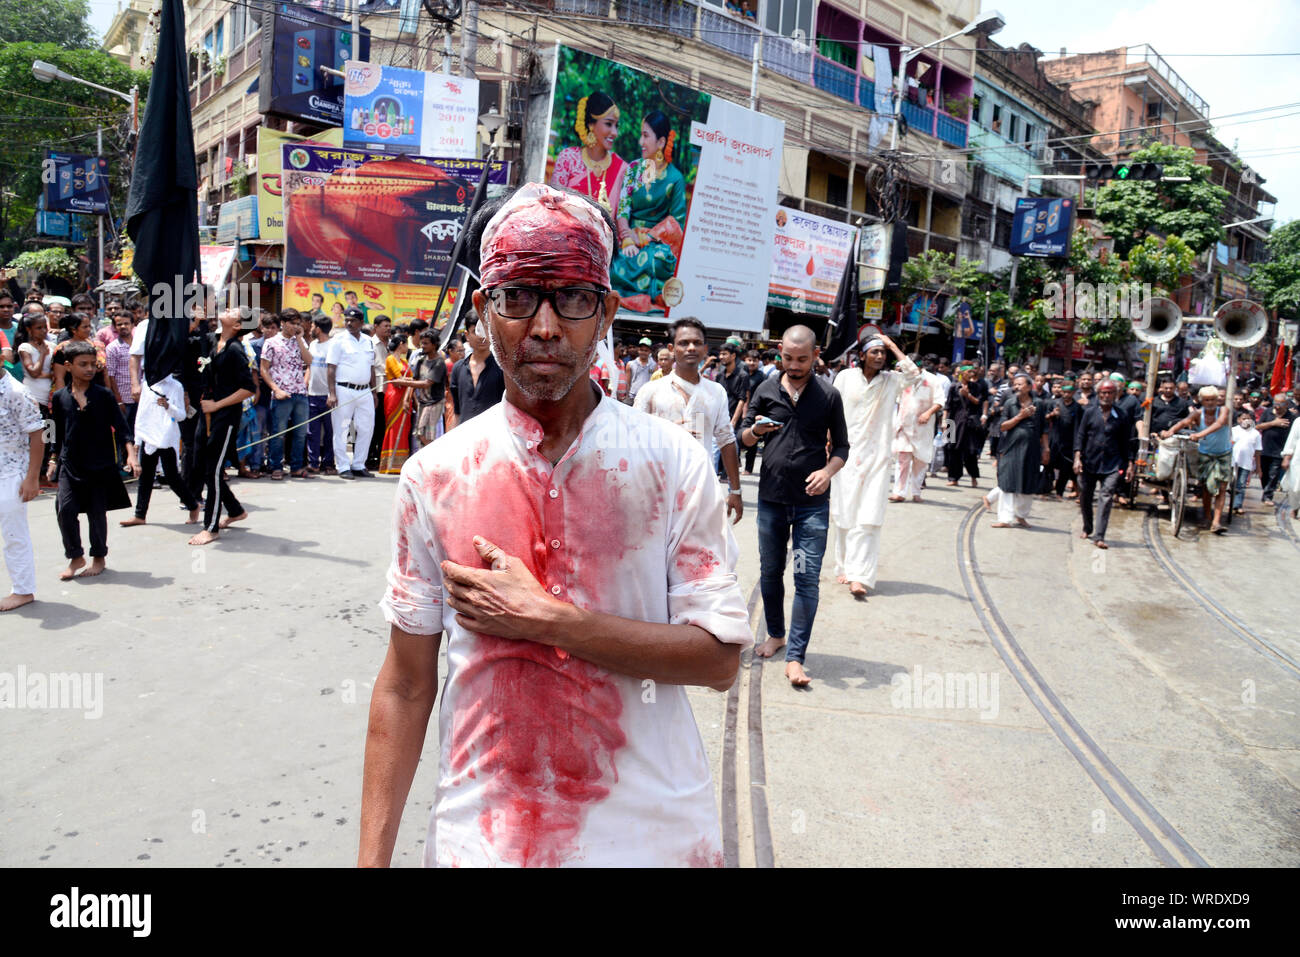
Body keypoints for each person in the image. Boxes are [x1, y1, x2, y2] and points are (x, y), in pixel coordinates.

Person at [362, 183, 750, 868]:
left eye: (571, 297)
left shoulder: (673, 463)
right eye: (517, 296)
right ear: (482, 310)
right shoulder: (437, 475)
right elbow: (405, 683)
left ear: (604, 312)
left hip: (652, 837)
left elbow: (718, 658)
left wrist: (549, 619)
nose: (544, 326)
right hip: (483, 837)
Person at [741, 325, 849, 686]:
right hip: (771, 503)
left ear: (815, 356)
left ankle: (796, 657)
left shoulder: (829, 395)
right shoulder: (766, 388)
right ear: (780, 353)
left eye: (802, 359)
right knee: (771, 572)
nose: (794, 364)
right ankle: (775, 633)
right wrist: (756, 431)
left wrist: (827, 471)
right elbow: (742, 436)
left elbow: (844, 449)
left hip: (811, 507)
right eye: (788, 357)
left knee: (806, 579)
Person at [825, 335, 918, 600]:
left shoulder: (891, 381)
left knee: (869, 516)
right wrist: (827, 439)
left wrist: (892, 345)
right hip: (845, 455)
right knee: (844, 512)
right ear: (862, 355)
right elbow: (832, 409)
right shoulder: (845, 377)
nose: (880, 356)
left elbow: (914, 375)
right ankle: (843, 566)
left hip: (877, 458)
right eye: (874, 351)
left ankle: (860, 576)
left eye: (883, 353)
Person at [634, 316, 743, 525]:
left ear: (705, 349)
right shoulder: (651, 391)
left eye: (697, 343)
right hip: (656, 493)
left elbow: (726, 440)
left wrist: (735, 490)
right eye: (683, 343)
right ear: (672, 348)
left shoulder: (715, 392)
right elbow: (633, 441)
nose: (691, 348)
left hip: (701, 493)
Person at [47, 341, 138, 579]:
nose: (89, 369)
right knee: (65, 509)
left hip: (100, 464)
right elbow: (53, 429)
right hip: (70, 463)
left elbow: (121, 426)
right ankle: (75, 556)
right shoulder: (59, 397)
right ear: (68, 366)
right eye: (82, 364)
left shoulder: (104, 395)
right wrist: (53, 458)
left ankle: (99, 556)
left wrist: (131, 453)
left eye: (93, 364)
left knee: (97, 513)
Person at [188, 308, 256, 547]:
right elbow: (183, 342)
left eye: (231, 311)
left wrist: (217, 405)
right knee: (200, 466)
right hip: (205, 411)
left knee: (214, 471)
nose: (225, 310)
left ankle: (211, 527)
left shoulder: (236, 351)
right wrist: (195, 320)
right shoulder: (212, 340)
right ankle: (235, 510)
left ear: (237, 324)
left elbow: (249, 389)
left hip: (224, 415)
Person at [610, 111, 687, 312]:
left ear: (661, 142)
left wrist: (649, 238)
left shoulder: (675, 178)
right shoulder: (633, 169)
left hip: (657, 243)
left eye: (645, 136)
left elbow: (676, 223)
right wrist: (627, 238)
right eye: (641, 135)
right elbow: (623, 209)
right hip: (629, 238)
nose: (640, 141)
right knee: (612, 258)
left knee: (657, 261)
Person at [120, 374, 201, 527]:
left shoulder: (176, 386)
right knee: (146, 476)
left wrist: (167, 406)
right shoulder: (147, 385)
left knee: (172, 477)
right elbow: (141, 414)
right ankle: (140, 514)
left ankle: (192, 505)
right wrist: (137, 440)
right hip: (149, 435)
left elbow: (182, 415)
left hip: (166, 436)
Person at [1073, 378, 1136, 549]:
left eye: (1109, 393)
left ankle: (1099, 536)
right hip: (1089, 461)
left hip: (1113, 464)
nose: (1106, 396)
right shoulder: (1089, 412)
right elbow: (1081, 436)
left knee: (1106, 497)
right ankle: (1088, 527)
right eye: (1103, 393)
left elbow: (1127, 441)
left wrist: (1130, 463)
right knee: (1085, 495)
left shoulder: (1122, 415)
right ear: (1098, 394)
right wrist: (1077, 457)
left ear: (1115, 395)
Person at [0, 360, 43, 610]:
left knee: (14, 534)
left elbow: (37, 434)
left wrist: (32, 478)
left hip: (12, 472)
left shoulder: (16, 392)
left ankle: (23, 590)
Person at [1161, 385, 1232, 534]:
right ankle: (1207, 516)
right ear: (1202, 401)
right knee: (1206, 487)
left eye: (1213, 399)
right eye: (1207, 400)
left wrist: (1199, 435)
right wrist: (1171, 431)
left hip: (1223, 453)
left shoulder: (1224, 411)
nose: (1210, 403)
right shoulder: (1198, 413)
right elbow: (1183, 422)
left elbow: (1219, 424)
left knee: (1222, 489)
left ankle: (1216, 521)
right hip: (1205, 454)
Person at [549, 91, 625, 214]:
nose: (615, 132)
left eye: (616, 126)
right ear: (591, 124)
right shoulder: (568, 159)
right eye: (608, 124)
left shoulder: (621, 168)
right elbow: (554, 208)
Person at [990, 372, 1049, 529]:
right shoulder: (1010, 403)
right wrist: (1019, 417)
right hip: (1011, 448)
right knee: (1007, 482)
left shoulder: (1039, 404)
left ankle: (1021, 516)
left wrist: (1046, 449)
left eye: (1020, 384)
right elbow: (1002, 426)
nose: (1016, 387)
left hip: (1032, 449)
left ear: (1029, 386)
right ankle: (1004, 518)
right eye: (1015, 384)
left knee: (1028, 483)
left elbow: (1044, 429)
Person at [260, 308, 312, 480]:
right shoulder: (271, 342)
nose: (295, 326)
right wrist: (275, 389)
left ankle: (296, 466)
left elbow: (309, 361)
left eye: (297, 323)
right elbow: (264, 369)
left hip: (300, 392)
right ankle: (275, 465)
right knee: (278, 432)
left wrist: (299, 338)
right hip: (281, 392)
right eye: (292, 323)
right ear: (282, 323)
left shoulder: (300, 340)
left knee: (300, 433)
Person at [327, 307, 377, 479]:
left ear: (361, 323)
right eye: (347, 320)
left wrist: (374, 392)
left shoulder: (368, 340)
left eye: (353, 320)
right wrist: (332, 393)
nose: (349, 323)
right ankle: (342, 466)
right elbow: (331, 368)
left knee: (366, 428)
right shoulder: (338, 340)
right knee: (341, 429)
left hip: (365, 391)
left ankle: (358, 464)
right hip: (343, 390)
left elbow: (371, 367)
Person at [890, 350, 944, 504]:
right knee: (902, 460)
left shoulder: (932, 380)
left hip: (923, 429)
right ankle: (899, 492)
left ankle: (916, 492)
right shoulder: (903, 379)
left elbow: (939, 401)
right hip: (904, 426)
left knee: (920, 462)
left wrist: (928, 413)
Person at [447, 318, 505, 428]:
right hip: (464, 433)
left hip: (493, 434)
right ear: (467, 335)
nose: (481, 337)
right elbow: (457, 411)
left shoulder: (502, 367)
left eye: (485, 331)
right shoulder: (458, 368)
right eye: (475, 331)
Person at [944, 365, 988, 487]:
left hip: (969, 423)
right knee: (952, 449)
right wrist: (944, 421)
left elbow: (978, 402)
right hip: (953, 422)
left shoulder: (976, 387)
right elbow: (947, 406)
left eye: (973, 372)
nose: (971, 374)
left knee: (970, 451)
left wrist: (967, 395)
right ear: (962, 373)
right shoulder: (953, 386)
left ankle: (974, 476)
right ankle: (954, 478)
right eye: (969, 371)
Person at [379, 334, 416, 474]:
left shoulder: (404, 360)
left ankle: (400, 463)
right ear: (401, 344)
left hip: (406, 394)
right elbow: (399, 378)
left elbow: (410, 377)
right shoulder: (390, 359)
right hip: (394, 395)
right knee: (394, 427)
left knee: (405, 427)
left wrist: (410, 380)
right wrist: (410, 380)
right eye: (406, 344)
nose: (407, 347)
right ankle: (390, 463)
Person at [306, 316, 336, 475]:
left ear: (318, 328)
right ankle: (313, 463)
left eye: (312, 325)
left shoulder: (333, 346)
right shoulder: (312, 344)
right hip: (312, 394)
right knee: (312, 432)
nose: (310, 328)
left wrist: (333, 394)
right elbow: (310, 367)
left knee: (330, 432)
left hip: (328, 396)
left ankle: (329, 463)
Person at [1042, 380, 1081, 497]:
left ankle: (1059, 492)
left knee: (1065, 469)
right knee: (1048, 466)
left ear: (1073, 392)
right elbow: (1043, 419)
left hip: (1068, 443)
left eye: (1069, 392)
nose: (1066, 395)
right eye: (1064, 392)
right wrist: (1052, 415)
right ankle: (1045, 489)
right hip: (1053, 440)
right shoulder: (1053, 403)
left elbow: (1079, 428)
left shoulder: (1077, 408)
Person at [1257, 393, 1292, 503]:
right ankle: (1265, 491)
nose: (1276, 406)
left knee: (1274, 474)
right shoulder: (1267, 412)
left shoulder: (1292, 417)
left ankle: (1268, 496)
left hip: (1279, 451)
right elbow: (1258, 426)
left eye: (1280, 404)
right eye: (1275, 403)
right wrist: (1273, 423)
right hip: (1265, 449)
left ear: (1286, 404)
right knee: (1264, 474)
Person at [1230, 412, 1262, 516]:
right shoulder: (1233, 431)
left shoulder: (1255, 434)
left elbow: (1257, 452)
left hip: (1246, 463)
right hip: (1231, 461)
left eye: (1248, 419)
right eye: (1244, 418)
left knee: (1241, 484)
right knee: (1230, 483)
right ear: (1239, 419)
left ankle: (1238, 505)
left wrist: (1258, 467)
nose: (1246, 421)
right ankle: (1230, 503)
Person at [624, 337, 654, 401]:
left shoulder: (654, 365)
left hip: (648, 397)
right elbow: (627, 382)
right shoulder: (630, 364)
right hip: (633, 396)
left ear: (650, 351)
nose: (643, 352)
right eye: (641, 350)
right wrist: (627, 397)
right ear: (638, 350)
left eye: (646, 350)